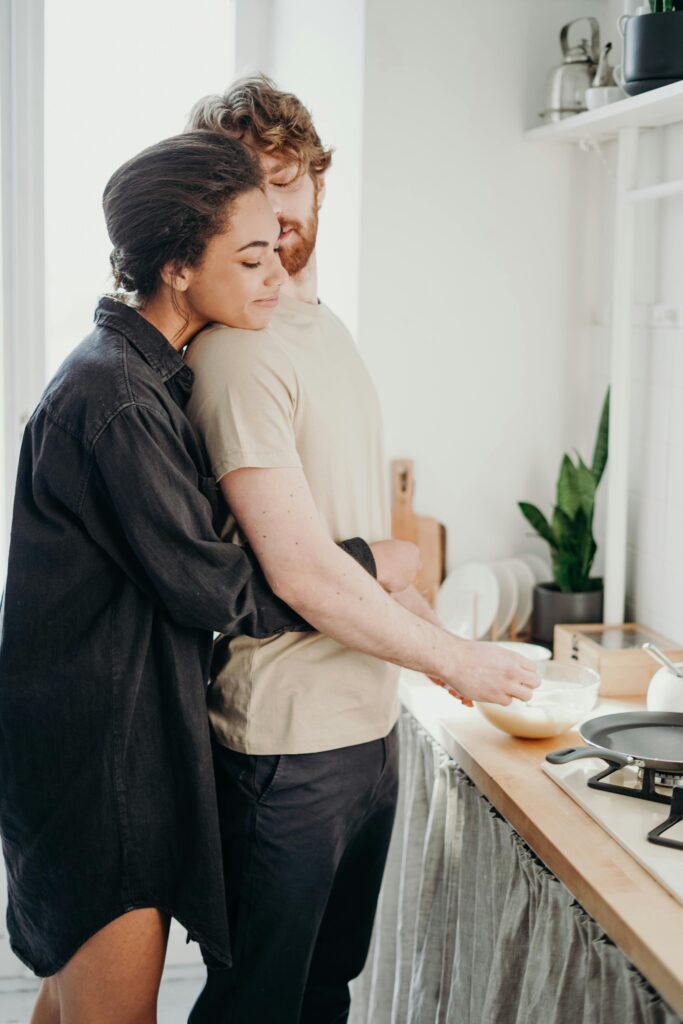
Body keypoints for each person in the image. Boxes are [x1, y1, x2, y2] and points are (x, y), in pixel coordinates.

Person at [0, 131, 404, 1024]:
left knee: (67, 1003)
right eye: (251, 256)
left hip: (101, 744)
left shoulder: (144, 375)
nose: (276, 273)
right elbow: (214, 588)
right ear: (179, 268)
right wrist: (373, 567)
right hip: (97, 768)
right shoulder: (113, 400)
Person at [184, 78, 540, 1024]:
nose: (284, 210)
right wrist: (453, 657)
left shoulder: (314, 324)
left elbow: (341, 524)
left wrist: (425, 635)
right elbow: (296, 570)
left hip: (363, 726)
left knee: (324, 992)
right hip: (284, 744)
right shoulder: (237, 351)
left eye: (294, 183)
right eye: (256, 188)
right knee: (257, 1003)